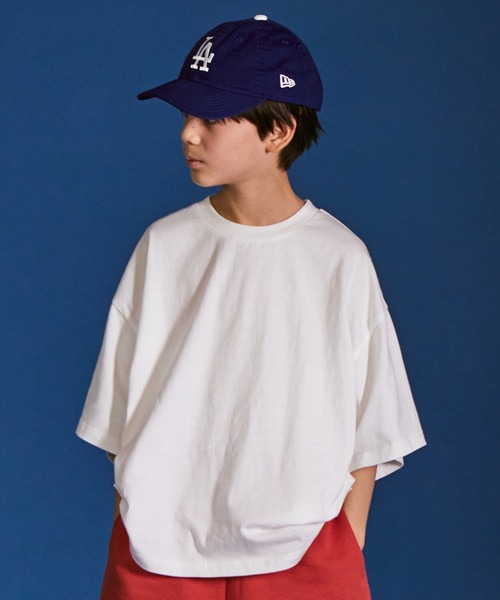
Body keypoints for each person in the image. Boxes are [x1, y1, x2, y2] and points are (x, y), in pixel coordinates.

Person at [77, 15, 426, 600]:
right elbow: (119, 409)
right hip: (160, 553)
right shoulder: (164, 247)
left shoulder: (339, 257)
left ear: (279, 130)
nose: (188, 135)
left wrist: (346, 539)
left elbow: (374, 419)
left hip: (306, 553)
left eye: (211, 118)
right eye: (185, 115)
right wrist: (137, 519)